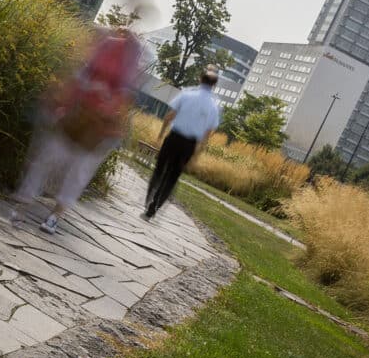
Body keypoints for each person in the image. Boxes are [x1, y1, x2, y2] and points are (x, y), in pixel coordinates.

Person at [12, 28, 141, 233]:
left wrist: (103, 105)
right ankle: (32, 207)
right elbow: (83, 76)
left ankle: (43, 211)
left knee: (68, 165)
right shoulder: (111, 46)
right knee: (61, 162)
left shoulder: (127, 55)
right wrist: (68, 99)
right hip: (82, 114)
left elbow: (121, 96)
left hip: (98, 124)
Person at [143, 67, 221, 219]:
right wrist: (196, 155)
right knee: (172, 177)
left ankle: (149, 199)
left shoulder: (186, 95)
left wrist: (160, 135)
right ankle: (154, 207)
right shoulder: (213, 107)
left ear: (200, 79)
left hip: (173, 138)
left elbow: (169, 116)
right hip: (188, 145)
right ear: (214, 86)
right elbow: (207, 135)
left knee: (159, 170)